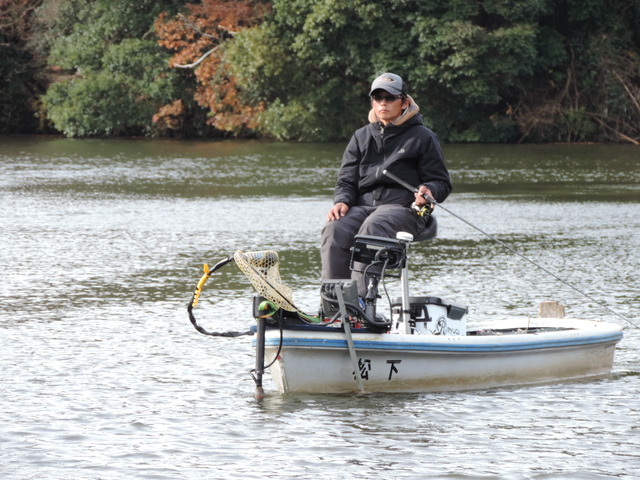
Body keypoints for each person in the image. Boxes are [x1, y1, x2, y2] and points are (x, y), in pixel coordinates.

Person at [320, 72, 452, 297]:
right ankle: (334, 305)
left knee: (373, 227)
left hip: (406, 210)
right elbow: (346, 181)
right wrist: (341, 200)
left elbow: (441, 181)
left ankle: (359, 304)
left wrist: (429, 190)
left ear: (404, 102)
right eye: (378, 98)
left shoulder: (423, 137)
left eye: (389, 98)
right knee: (334, 229)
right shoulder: (360, 137)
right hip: (363, 207)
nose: (383, 103)